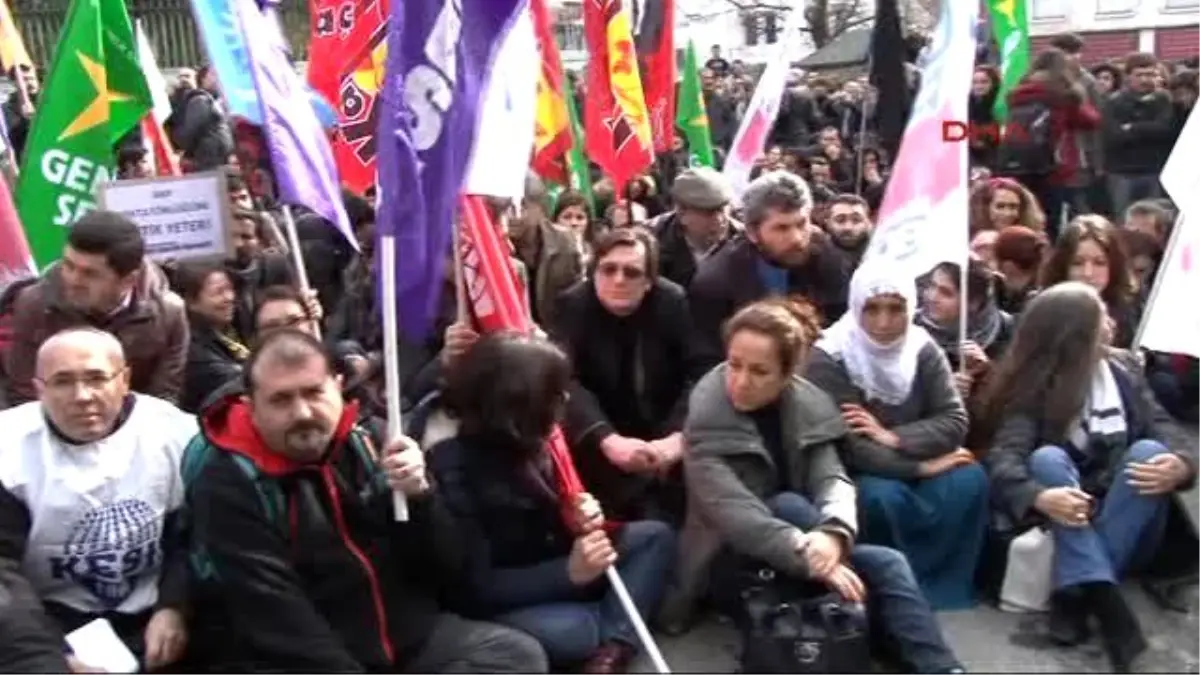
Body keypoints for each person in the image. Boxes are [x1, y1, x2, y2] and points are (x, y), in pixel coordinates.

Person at [183, 330, 547, 671]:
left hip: (405, 637)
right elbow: (276, 614)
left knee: (517, 657)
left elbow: (446, 567)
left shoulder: (372, 441)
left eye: (313, 393)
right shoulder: (229, 480)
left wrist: (421, 496)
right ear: (251, 406)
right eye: (281, 400)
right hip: (306, 657)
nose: (302, 414)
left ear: (338, 387)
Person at [667, 298, 963, 672]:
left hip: (810, 537)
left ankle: (942, 667)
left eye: (759, 371)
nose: (740, 381)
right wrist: (808, 551)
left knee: (886, 562)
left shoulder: (808, 403)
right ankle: (897, 640)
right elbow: (734, 514)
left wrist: (835, 534)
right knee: (788, 505)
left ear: (788, 374)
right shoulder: (706, 417)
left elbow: (832, 477)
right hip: (735, 558)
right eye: (734, 364)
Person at [429, 333, 675, 672]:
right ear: (518, 407)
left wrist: (578, 514)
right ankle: (609, 628)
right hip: (510, 596)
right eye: (554, 394)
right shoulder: (452, 469)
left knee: (655, 537)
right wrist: (568, 574)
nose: (566, 400)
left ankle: (616, 644)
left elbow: (557, 510)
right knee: (575, 633)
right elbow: (475, 588)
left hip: (557, 559)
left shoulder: (538, 441)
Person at [980, 282, 1195, 671]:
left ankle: (1077, 591)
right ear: (1075, 334)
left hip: (1130, 519)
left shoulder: (1125, 367)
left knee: (1150, 452)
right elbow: (1004, 459)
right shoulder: (1038, 386)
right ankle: (1105, 602)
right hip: (1066, 521)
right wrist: (1038, 497)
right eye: (1101, 318)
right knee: (1046, 458)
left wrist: (1183, 463)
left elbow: (1165, 427)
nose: (1111, 325)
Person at [0, 328, 197, 670]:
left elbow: (193, 538)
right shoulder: (9, 450)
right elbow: (3, 574)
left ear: (124, 380)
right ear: (38, 390)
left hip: (155, 608)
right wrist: (50, 656)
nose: (83, 396)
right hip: (47, 615)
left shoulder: (175, 434)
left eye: (97, 378)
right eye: (62, 382)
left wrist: (175, 606)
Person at [806, 265, 988, 610]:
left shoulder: (921, 346)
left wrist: (894, 436)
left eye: (895, 309)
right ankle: (888, 592)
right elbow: (851, 446)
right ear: (855, 306)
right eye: (872, 309)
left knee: (970, 478)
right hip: (862, 470)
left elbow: (953, 420)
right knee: (878, 497)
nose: (884, 322)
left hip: (905, 453)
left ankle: (941, 586)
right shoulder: (829, 356)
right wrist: (922, 467)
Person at [551, 229, 705, 524]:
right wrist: (606, 438)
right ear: (593, 272)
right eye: (608, 269)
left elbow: (698, 371)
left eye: (632, 272)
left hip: (665, 430)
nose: (618, 280)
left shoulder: (671, 301)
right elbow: (565, 380)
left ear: (649, 282)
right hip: (601, 437)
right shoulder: (573, 305)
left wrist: (677, 436)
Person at [5, 211, 189, 406]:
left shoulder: (168, 313)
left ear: (129, 281)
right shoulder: (34, 303)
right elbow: (24, 392)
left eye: (89, 274)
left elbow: (164, 397)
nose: (73, 280)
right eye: (68, 265)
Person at [689, 171, 850, 369]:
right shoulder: (715, 283)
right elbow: (711, 361)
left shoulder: (825, 254)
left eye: (801, 224)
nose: (797, 238)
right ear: (752, 233)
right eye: (782, 228)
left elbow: (842, 323)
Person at [1039, 215, 1140, 348]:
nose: (1088, 273)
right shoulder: (1040, 309)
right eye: (1077, 263)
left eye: (1099, 263)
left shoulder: (1129, 313)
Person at [176, 260, 248, 414]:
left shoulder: (240, 324)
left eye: (230, 289)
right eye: (218, 292)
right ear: (191, 302)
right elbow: (240, 380)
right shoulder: (191, 348)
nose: (229, 297)